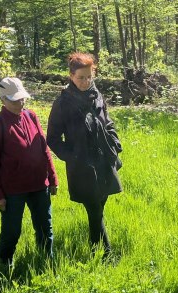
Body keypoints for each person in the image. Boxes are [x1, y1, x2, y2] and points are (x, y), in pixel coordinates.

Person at [46, 52, 122, 260]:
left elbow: (107, 121)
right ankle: (106, 256)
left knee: (99, 207)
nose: (86, 81)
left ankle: (96, 248)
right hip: (82, 166)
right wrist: (72, 157)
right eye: (81, 77)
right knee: (94, 208)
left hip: (104, 160)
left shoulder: (96, 95)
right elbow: (52, 138)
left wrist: (115, 143)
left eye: (89, 77)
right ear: (71, 76)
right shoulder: (63, 103)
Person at [0, 77, 58, 272]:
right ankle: (4, 267)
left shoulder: (31, 116)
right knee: (11, 231)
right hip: (13, 190)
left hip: (39, 185)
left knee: (45, 227)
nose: (21, 103)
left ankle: (46, 263)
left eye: (22, 99)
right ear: (3, 100)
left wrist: (52, 177)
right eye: (15, 100)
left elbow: (44, 149)